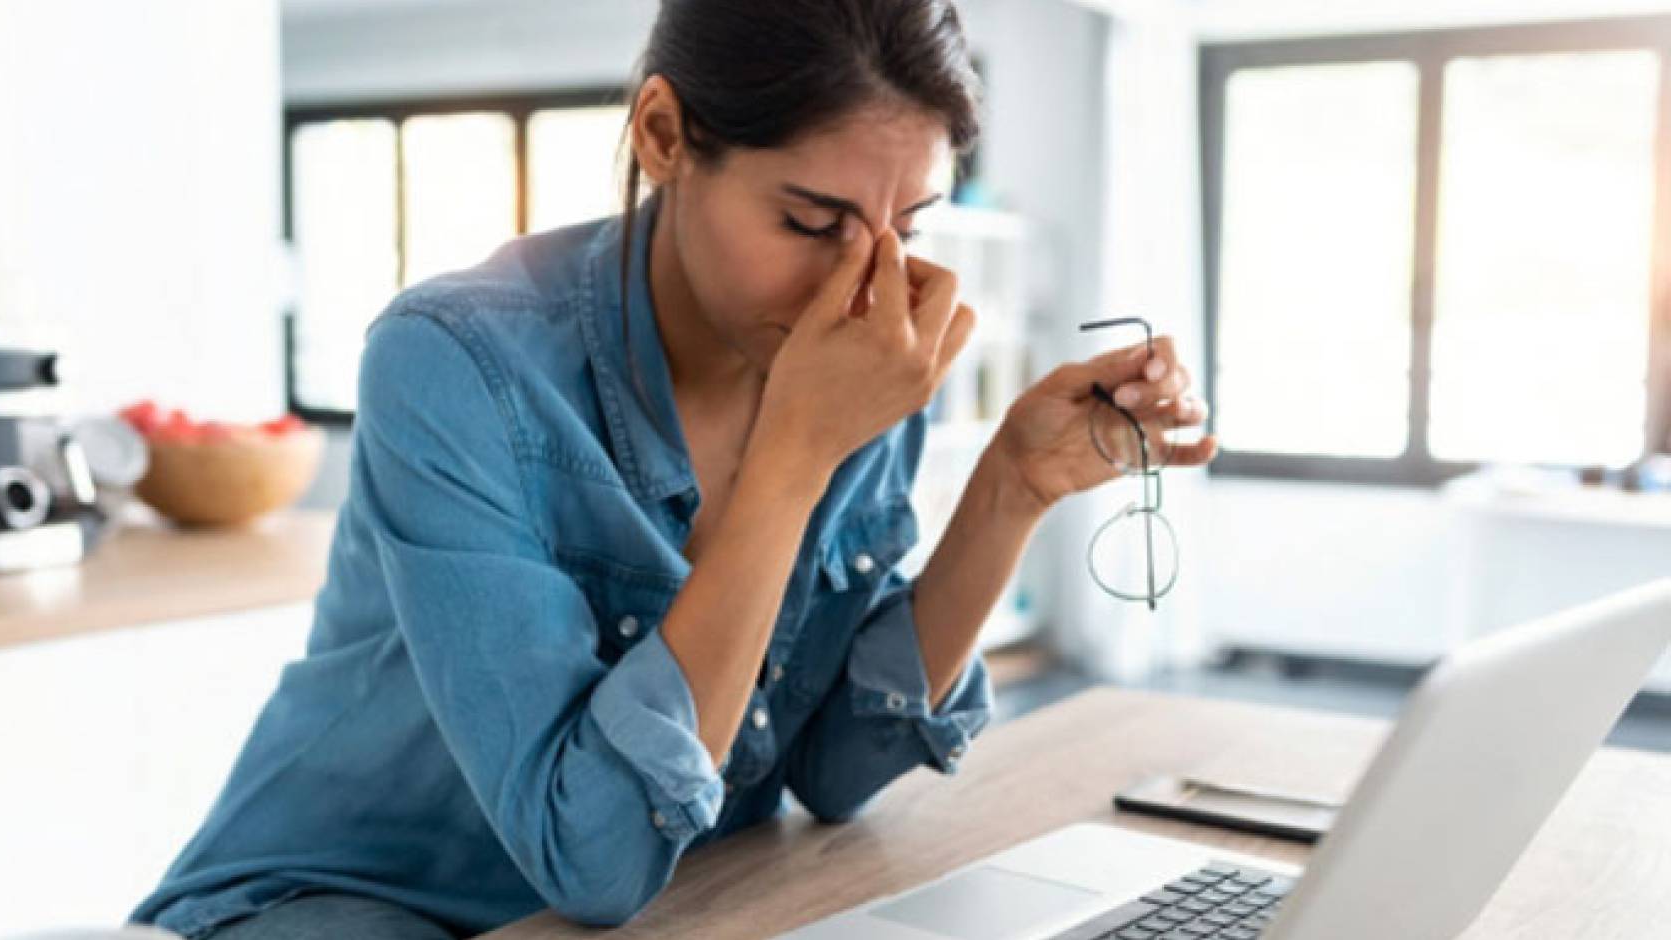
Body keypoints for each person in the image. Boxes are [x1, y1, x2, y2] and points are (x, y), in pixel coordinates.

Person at [129, 0, 1214, 936]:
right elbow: (590, 855)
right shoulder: (454, 360)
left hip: (641, 908)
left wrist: (1011, 488)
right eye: (811, 219)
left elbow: (836, 769)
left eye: (909, 222)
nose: (868, 285)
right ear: (661, 134)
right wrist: (794, 456)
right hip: (338, 900)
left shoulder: (845, 355)